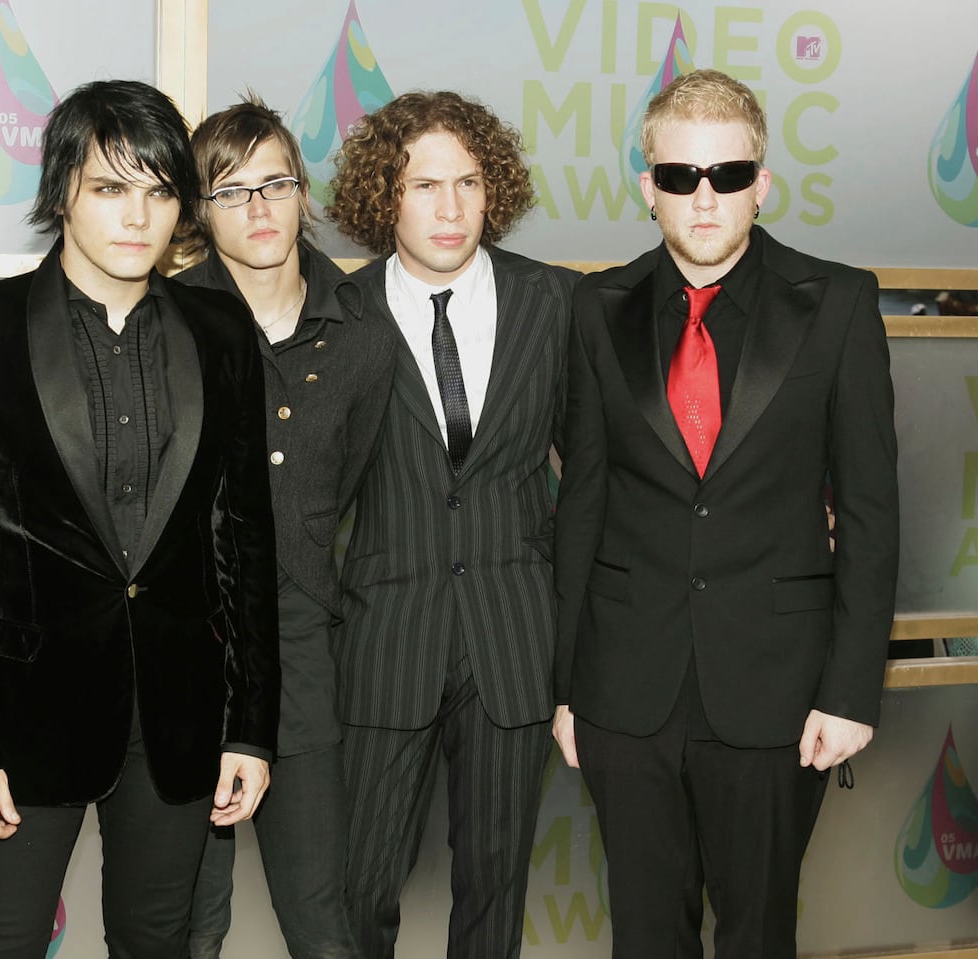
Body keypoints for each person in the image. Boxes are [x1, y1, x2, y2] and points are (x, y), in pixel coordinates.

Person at [0, 79, 280, 959]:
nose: (137, 216)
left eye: (157, 191)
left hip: (180, 716)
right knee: (0, 946)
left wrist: (251, 723)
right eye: (111, 188)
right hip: (18, 720)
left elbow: (244, 539)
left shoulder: (220, 330)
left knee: (158, 944)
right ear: (62, 189)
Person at [552, 68, 899, 958]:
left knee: (759, 936)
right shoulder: (596, 307)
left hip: (779, 690)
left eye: (727, 176)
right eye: (679, 177)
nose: (703, 201)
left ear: (762, 184)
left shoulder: (840, 302)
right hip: (627, 690)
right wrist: (564, 686)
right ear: (648, 188)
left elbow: (869, 509)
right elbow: (582, 497)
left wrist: (852, 687)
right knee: (645, 938)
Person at [324, 91, 576, 959]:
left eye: (468, 182)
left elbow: (591, 485)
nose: (450, 207)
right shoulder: (336, 315)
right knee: (355, 890)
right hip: (384, 640)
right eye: (423, 184)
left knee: (495, 894)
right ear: (382, 196)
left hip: (514, 641)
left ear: (492, 189)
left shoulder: (554, 304)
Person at [175, 96, 395, 959]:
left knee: (321, 920)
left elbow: (356, 484)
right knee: (188, 922)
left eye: (275, 183)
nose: (260, 207)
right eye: (231, 191)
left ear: (305, 193)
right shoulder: (167, 323)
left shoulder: (365, 335)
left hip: (303, 647)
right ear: (200, 211)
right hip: (187, 650)